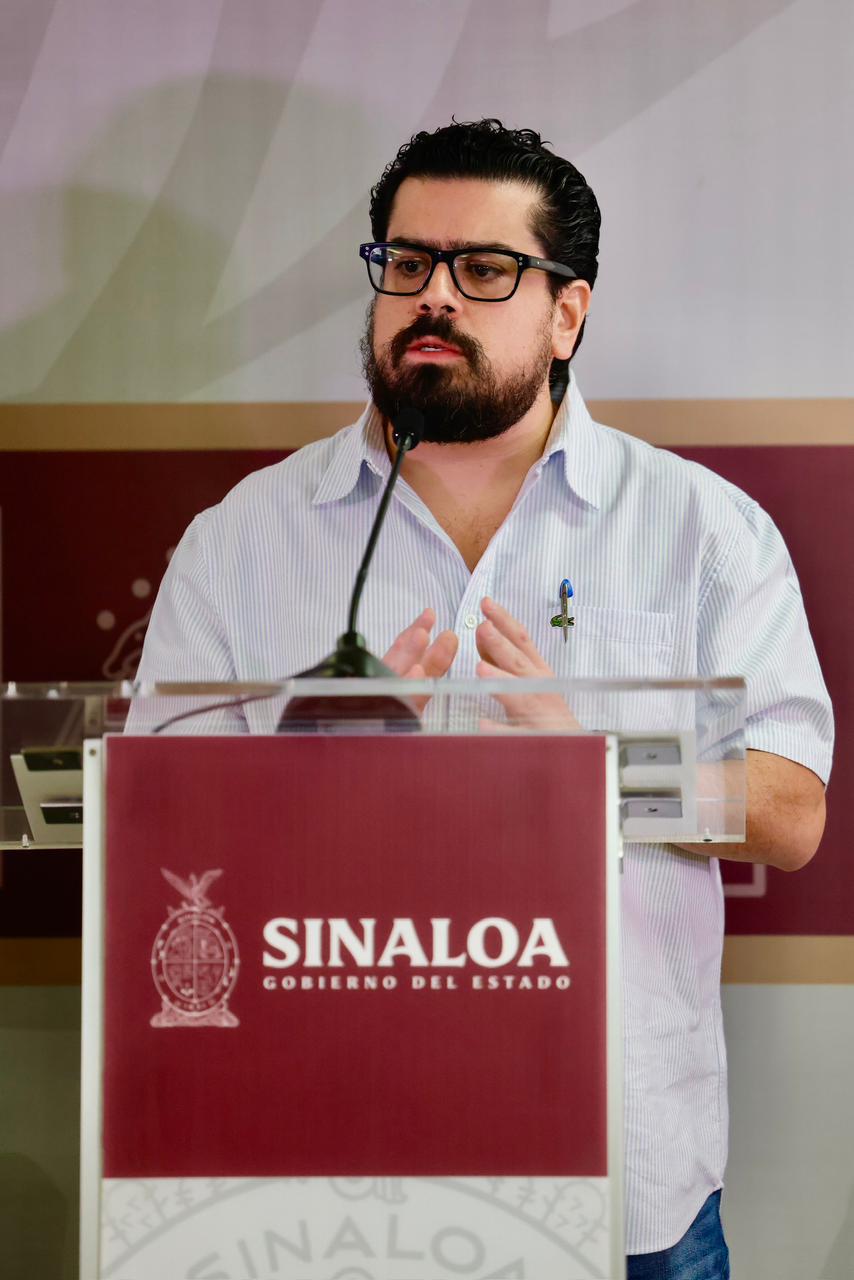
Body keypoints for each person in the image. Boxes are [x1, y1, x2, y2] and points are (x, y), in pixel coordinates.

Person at [133, 119, 833, 1276]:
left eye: (485, 269)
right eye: (407, 262)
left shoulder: (700, 530)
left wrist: (597, 770)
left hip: (623, 1184)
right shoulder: (242, 540)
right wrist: (295, 777)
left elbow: (789, 810)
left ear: (566, 313)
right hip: (328, 1176)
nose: (434, 296)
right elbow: (148, 833)